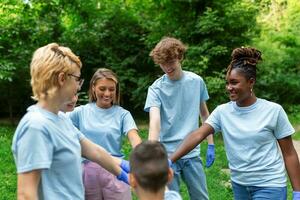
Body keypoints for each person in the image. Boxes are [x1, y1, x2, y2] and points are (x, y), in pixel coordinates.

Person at [170, 47, 300, 200]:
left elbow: (289, 153)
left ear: (251, 82)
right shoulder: (222, 112)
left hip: (270, 186)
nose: (229, 87)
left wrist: (297, 191)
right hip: (240, 186)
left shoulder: (273, 111)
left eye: (234, 82)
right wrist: (170, 160)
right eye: (227, 83)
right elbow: (198, 134)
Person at [11, 43, 129, 200]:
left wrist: (124, 171)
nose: (79, 86)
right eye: (77, 79)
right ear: (62, 79)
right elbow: (26, 194)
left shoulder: (61, 120)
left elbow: (95, 152)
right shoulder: (36, 126)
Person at [144, 37, 214, 200]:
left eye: (170, 61)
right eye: (162, 63)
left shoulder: (196, 82)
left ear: (180, 57)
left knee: (201, 197)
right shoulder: (156, 89)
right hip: (166, 156)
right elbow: (154, 123)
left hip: (191, 152)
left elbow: (204, 114)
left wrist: (210, 143)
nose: (167, 67)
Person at [68, 68, 142, 200]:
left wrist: (145, 157)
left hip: (115, 170)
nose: (107, 93)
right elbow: (58, 120)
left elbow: (134, 137)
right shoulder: (80, 112)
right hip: (87, 173)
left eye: (111, 89)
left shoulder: (123, 114)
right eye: (102, 89)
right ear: (93, 88)